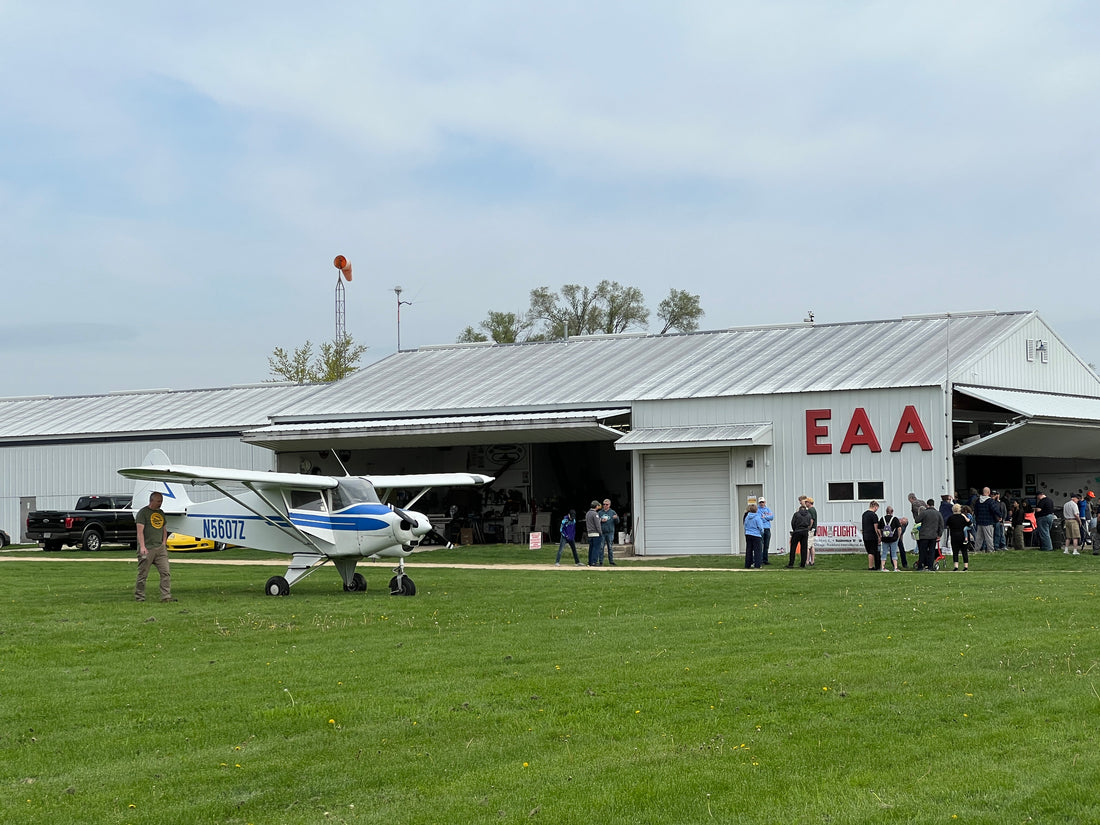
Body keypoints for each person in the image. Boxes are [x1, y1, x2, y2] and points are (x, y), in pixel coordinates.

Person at [135, 491, 173, 602]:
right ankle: (139, 596)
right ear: (151, 501)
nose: (160, 503)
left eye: (161, 501)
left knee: (165, 572)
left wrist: (164, 543)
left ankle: (166, 596)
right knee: (143, 574)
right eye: (158, 501)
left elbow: (164, 529)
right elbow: (140, 532)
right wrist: (142, 547)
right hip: (147, 548)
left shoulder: (161, 513)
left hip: (160, 549)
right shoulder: (143, 513)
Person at [916, 498, 945, 571]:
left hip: (924, 535)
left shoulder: (924, 513)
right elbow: (941, 525)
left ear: (927, 505)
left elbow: (917, 520)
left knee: (922, 551)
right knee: (931, 551)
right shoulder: (938, 513)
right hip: (933, 535)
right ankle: (930, 567)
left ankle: (920, 566)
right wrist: (939, 535)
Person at [946, 503, 972, 571]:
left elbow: (947, 526)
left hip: (954, 536)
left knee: (955, 551)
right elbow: (970, 523)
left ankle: (956, 566)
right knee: (964, 551)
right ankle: (965, 566)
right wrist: (965, 517)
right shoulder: (962, 517)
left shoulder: (950, 518)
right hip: (963, 536)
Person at [972, 487, 998, 553]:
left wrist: (977, 518)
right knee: (989, 537)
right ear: (988, 493)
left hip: (980, 522)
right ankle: (991, 550)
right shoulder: (990, 501)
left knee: (979, 538)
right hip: (988, 522)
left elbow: (976, 511)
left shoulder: (978, 501)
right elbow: (995, 510)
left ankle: (976, 550)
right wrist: (999, 516)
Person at [788, 499, 812, 568]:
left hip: (797, 531)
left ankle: (791, 563)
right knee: (804, 548)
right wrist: (807, 529)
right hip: (805, 532)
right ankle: (802, 564)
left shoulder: (796, 514)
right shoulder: (808, 515)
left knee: (793, 548)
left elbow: (793, 523)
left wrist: (795, 529)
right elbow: (809, 523)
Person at [879, 505, 901, 571]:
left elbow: (878, 528)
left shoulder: (882, 519)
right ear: (892, 512)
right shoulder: (895, 519)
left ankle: (882, 567)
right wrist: (898, 536)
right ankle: (895, 567)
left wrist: (880, 535)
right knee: (894, 552)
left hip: (884, 539)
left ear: (886, 511)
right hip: (893, 539)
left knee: (884, 552)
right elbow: (899, 528)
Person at [743, 503, 765, 568]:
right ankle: (757, 565)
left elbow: (745, 525)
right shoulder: (757, 517)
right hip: (756, 535)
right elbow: (760, 527)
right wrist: (761, 532)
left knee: (749, 550)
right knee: (757, 550)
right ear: (756, 510)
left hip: (748, 534)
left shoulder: (747, 517)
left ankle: (747, 564)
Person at [599, 498, 620, 566]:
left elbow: (617, 522)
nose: (605, 505)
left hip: (610, 532)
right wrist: (601, 520)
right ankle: (601, 561)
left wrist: (616, 518)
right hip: (602, 532)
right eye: (604, 504)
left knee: (610, 547)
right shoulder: (600, 512)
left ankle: (611, 561)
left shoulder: (612, 512)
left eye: (606, 504)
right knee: (601, 547)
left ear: (609, 505)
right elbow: (596, 521)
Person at [862, 501, 882, 570]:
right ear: (875, 506)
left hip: (865, 535)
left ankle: (870, 566)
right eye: (877, 508)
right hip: (872, 535)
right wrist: (879, 536)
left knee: (869, 552)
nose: (876, 510)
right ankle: (872, 567)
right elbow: (876, 527)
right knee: (873, 551)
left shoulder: (864, 514)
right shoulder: (873, 515)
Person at [585, 501, 603, 566]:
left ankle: (590, 561)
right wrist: (600, 532)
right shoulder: (595, 514)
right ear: (596, 506)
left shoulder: (587, 513)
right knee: (596, 548)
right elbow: (597, 524)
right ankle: (594, 562)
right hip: (596, 533)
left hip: (590, 533)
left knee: (591, 548)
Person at [758, 497, 774, 565]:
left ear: (765, 502)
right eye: (760, 502)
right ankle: (760, 559)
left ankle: (765, 559)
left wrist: (765, 517)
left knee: (766, 545)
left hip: (767, 528)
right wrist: (766, 518)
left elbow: (772, 517)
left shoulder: (768, 509)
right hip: (761, 529)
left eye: (763, 502)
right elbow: (760, 518)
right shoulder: (757, 510)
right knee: (760, 545)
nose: (762, 503)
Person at [805, 496, 819, 566]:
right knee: (811, 545)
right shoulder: (813, 509)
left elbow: (811, 520)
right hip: (813, 529)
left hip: (810, 530)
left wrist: (808, 527)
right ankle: (812, 561)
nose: (805, 503)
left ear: (809, 502)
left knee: (807, 546)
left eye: (806, 502)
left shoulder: (811, 510)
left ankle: (807, 561)